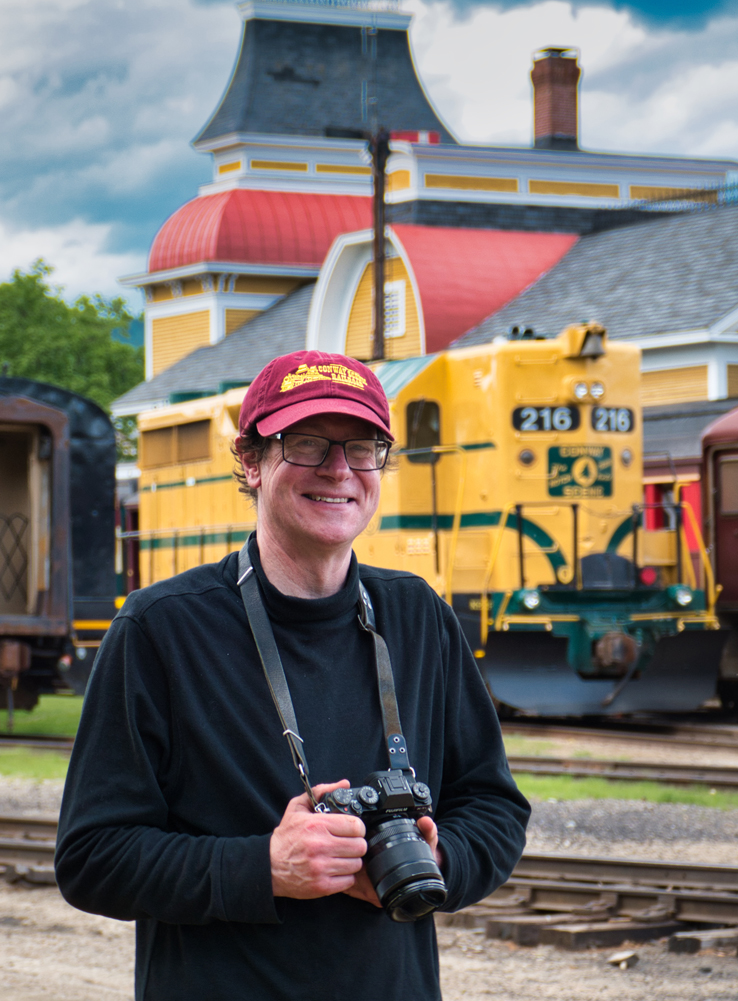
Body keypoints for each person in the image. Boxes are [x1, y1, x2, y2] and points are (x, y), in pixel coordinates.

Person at [55, 350, 531, 1001]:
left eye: (363, 448)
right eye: (306, 444)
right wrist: (264, 868)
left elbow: (493, 806)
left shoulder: (418, 616)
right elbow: (91, 858)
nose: (339, 469)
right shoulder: (159, 629)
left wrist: (439, 857)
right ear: (252, 461)